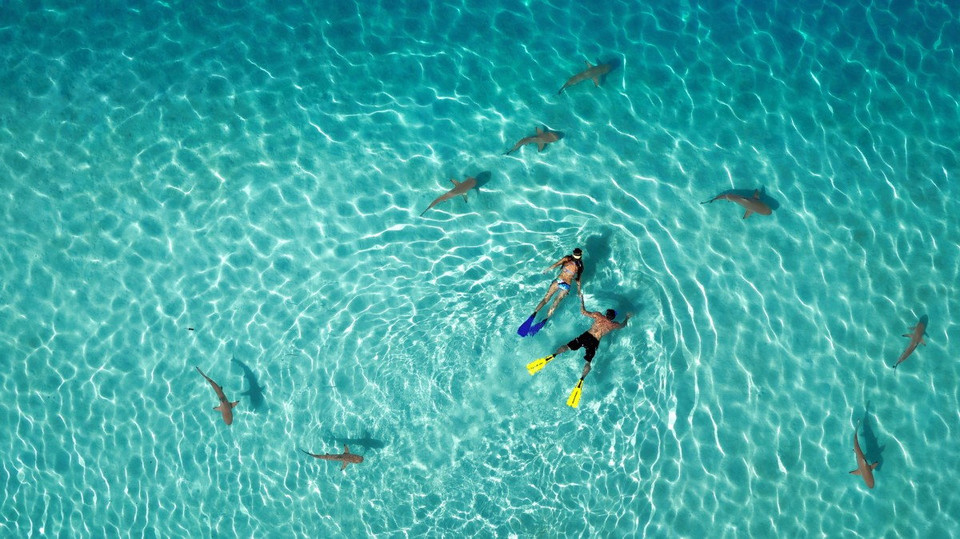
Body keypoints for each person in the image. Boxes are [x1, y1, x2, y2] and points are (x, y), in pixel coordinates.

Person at [554, 291, 630, 380]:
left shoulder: (598, 315)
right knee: (588, 362)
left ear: (606, 314)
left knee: (567, 346)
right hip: (595, 342)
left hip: (586, 336)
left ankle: (554, 355)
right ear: (613, 317)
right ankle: (582, 378)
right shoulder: (614, 325)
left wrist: (581, 299)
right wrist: (627, 317)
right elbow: (623, 325)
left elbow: (583, 312)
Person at [519, 248, 584, 336]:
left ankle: (533, 315)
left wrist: (547, 269)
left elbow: (556, 264)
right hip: (567, 285)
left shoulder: (567, 259)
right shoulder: (580, 266)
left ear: (573, 254)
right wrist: (579, 291)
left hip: (559, 280)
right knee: (555, 304)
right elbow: (578, 281)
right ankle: (545, 319)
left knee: (546, 299)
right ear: (581, 255)